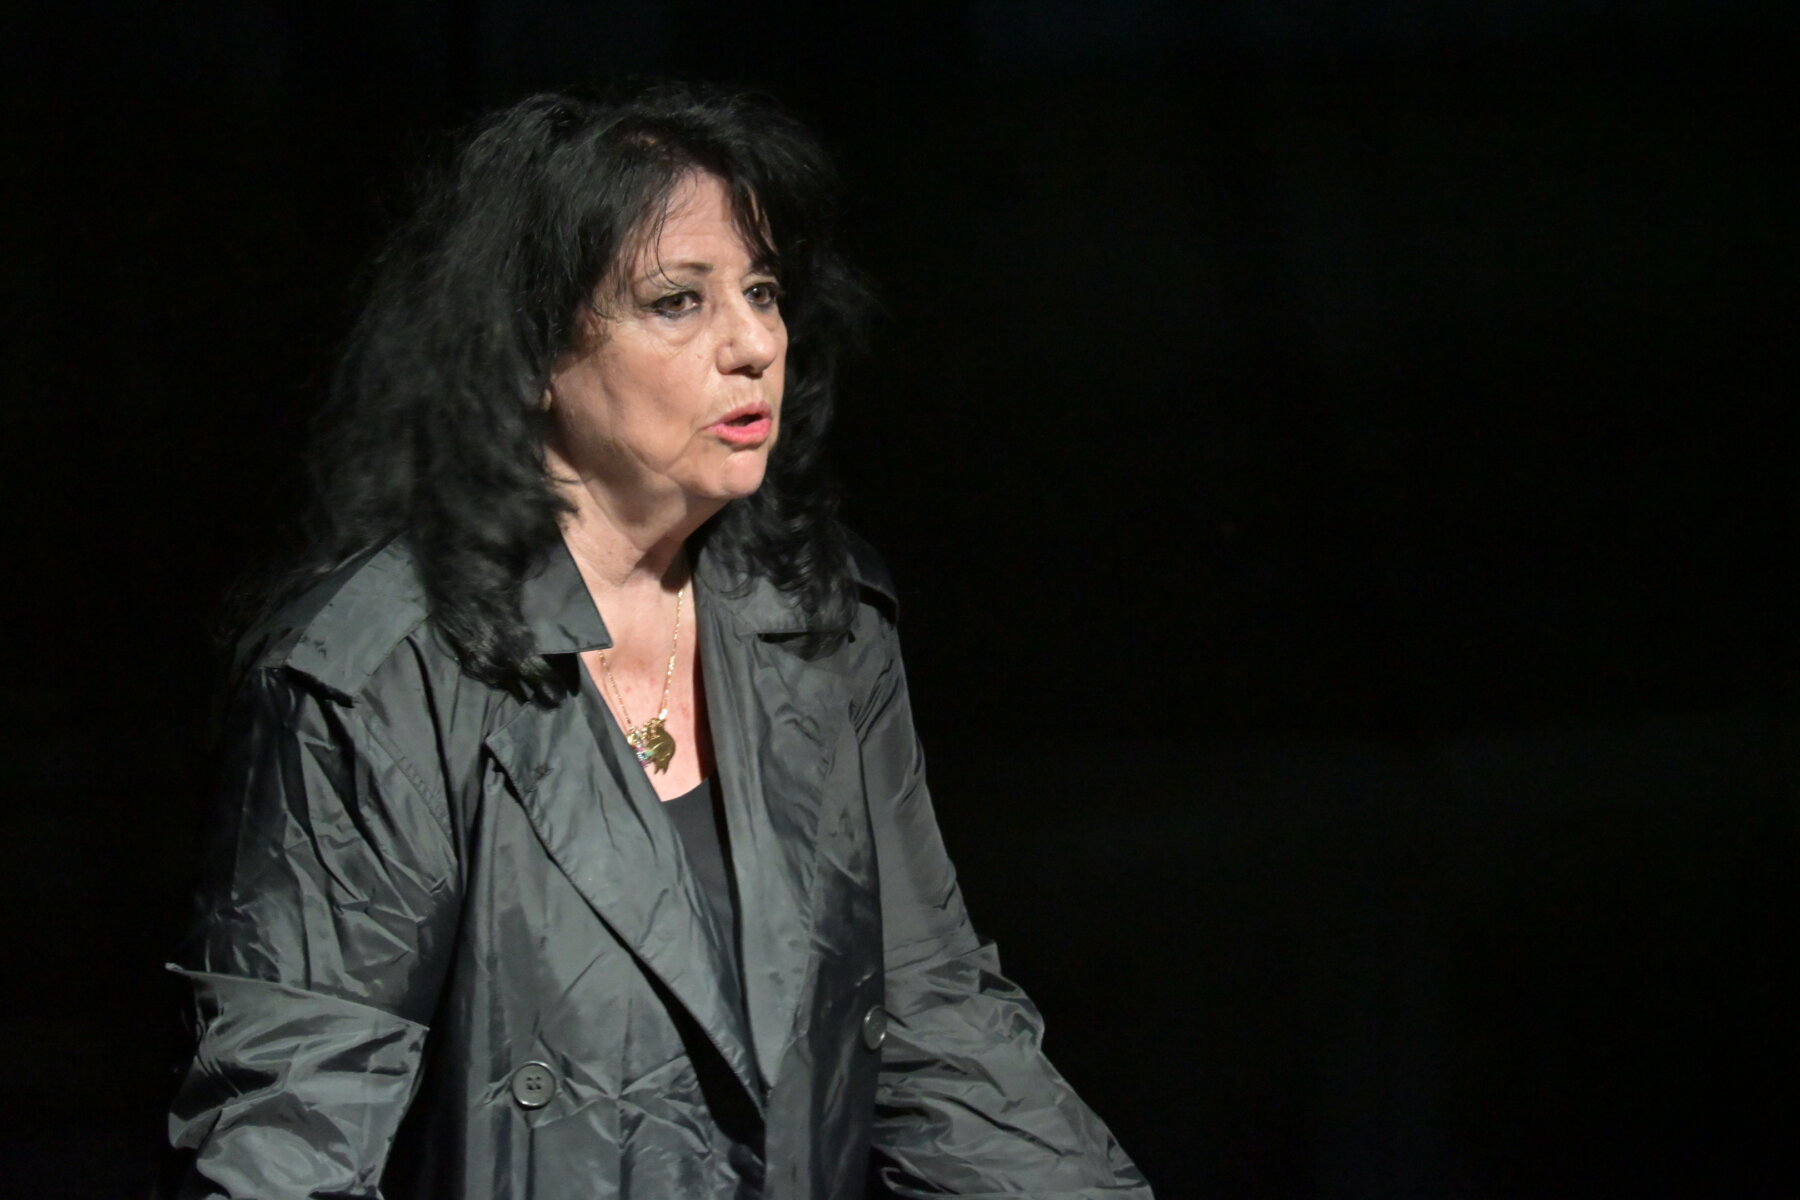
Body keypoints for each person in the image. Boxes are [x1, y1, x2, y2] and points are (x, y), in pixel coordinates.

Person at [164, 85, 1151, 1199]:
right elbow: (287, 1139)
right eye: (678, 301)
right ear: (530, 352)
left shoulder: (818, 622)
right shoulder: (378, 678)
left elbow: (940, 1029)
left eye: (762, 291)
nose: (755, 344)